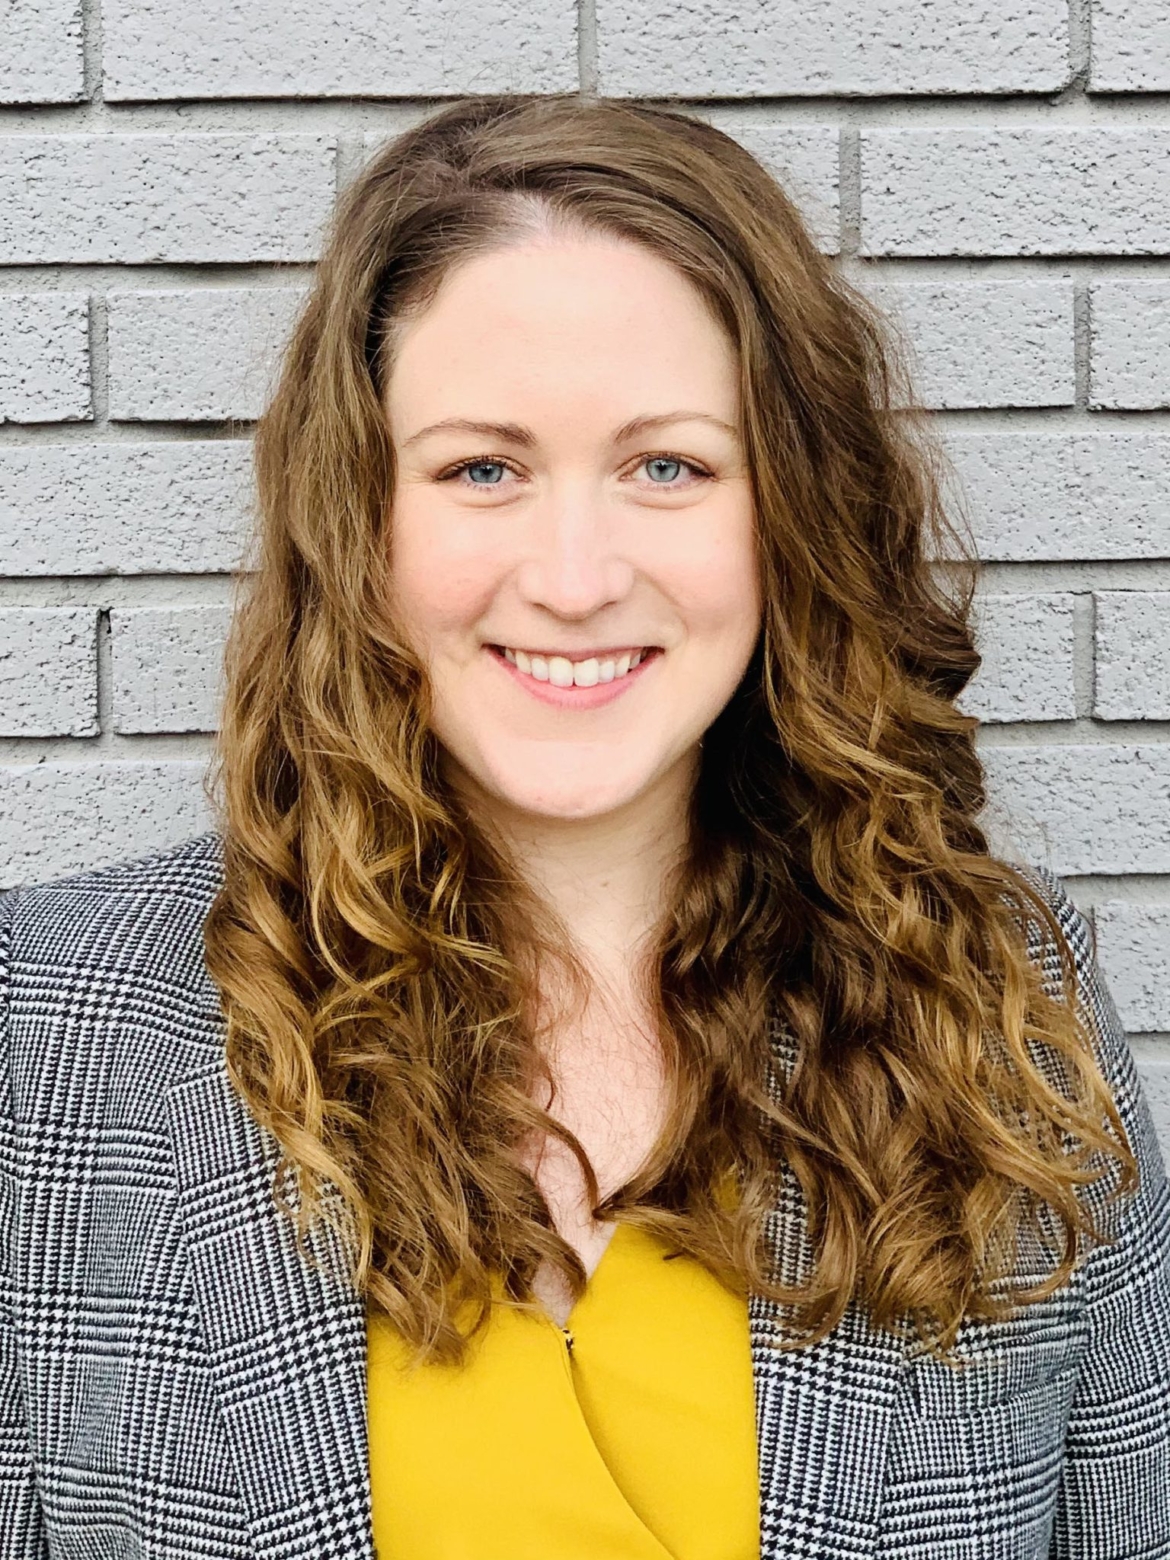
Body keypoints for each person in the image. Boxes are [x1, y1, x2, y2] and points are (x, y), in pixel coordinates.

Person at [1, 92, 1167, 1560]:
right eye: (481, 467)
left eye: (665, 464)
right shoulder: (45, 1030)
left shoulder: (1007, 999)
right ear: (357, 523)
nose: (570, 575)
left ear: (788, 515)